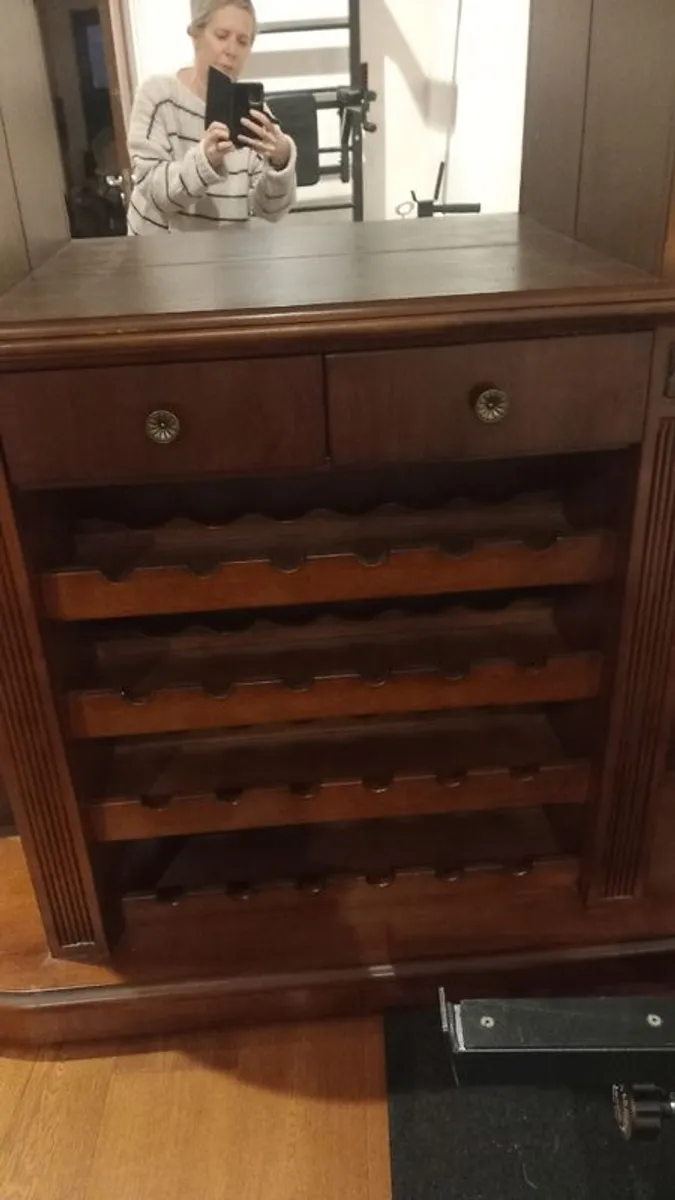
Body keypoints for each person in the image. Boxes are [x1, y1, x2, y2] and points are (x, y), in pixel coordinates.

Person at [126, 0, 297, 234]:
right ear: (196, 35)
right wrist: (204, 162)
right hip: (159, 259)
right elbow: (152, 189)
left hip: (224, 260)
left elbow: (270, 211)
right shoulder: (158, 96)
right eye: (222, 35)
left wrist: (280, 161)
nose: (231, 50)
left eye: (242, 41)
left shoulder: (256, 117)